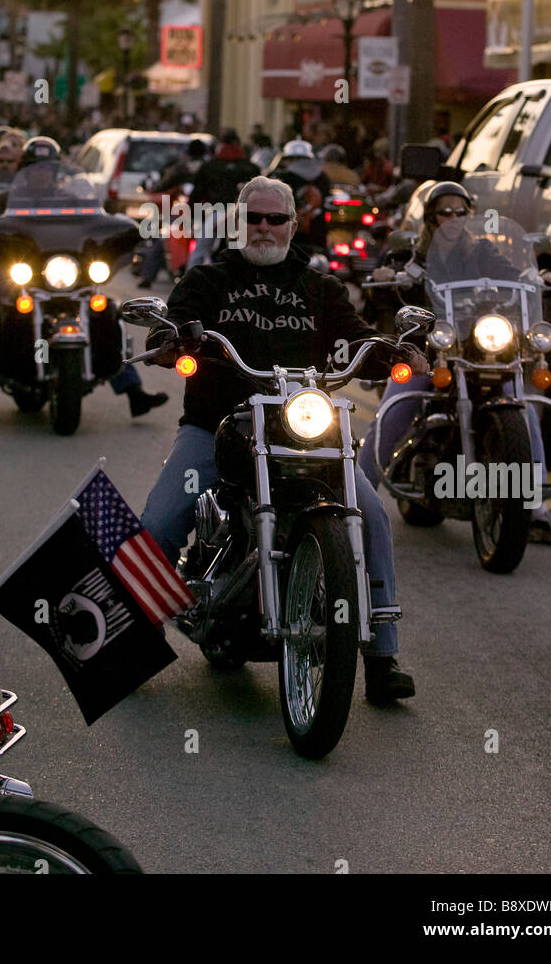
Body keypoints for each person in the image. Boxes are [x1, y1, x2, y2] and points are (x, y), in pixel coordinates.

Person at [140, 174, 429, 705]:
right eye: (255, 218)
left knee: (371, 515)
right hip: (218, 426)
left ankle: (383, 658)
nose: (265, 228)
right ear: (238, 222)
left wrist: (393, 351)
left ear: (294, 225)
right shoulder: (208, 280)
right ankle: (137, 634)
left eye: (277, 219)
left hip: (305, 431)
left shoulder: (319, 288)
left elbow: (354, 333)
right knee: (157, 521)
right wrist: (168, 338)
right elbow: (175, 321)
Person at [358, 182, 551, 544]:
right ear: (431, 217)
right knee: (397, 407)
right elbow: (395, 272)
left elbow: (514, 273)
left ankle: (533, 505)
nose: (454, 219)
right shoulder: (417, 258)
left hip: (475, 348)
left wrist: (539, 277)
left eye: (461, 213)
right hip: (428, 351)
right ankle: (357, 500)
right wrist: (386, 275)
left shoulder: (481, 252)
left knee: (518, 399)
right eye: (446, 212)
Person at [0, 137, 168, 424]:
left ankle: (135, 392)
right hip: (23, 275)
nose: (42, 173)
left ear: (56, 171)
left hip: (69, 275)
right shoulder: (6, 200)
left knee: (106, 314)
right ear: (25, 169)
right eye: (35, 168)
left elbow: (94, 225)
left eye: (47, 169)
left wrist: (122, 229)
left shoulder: (74, 198)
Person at [137, 138, 209, 289]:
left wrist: (154, 189)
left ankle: (147, 276)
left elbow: (162, 184)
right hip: (205, 213)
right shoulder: (210, 167)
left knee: (163, 240)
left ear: (188, 152)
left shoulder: (181, 168)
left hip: (182, 212)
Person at [186, 129, 258, 268]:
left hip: (217, 212)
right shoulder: (250, 168)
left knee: (200, 250)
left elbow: (197, 193)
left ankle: (189, 281)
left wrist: (192, 214)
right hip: (242, 215)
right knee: (243, 252)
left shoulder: (210, 166)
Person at [269, 139, 332, 251]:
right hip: (317, 231)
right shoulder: (323, 177)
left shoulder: (279, 177)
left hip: (288, 233)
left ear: (289, 159)